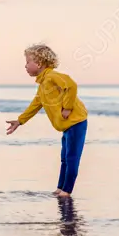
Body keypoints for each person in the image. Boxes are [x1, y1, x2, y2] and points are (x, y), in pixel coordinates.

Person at [6, 44, 88, 197]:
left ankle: (66, 191)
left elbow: (71, 85)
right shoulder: (43, 84)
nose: (25, 66)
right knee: (64, 158)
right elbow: (36, 104)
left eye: (28, 61)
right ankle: (60, 188)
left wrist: (68, 107)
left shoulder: (51, 76)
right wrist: (20, 121)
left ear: (39, 63)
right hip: (66, 126)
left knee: (71, 157)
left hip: (76, 122)